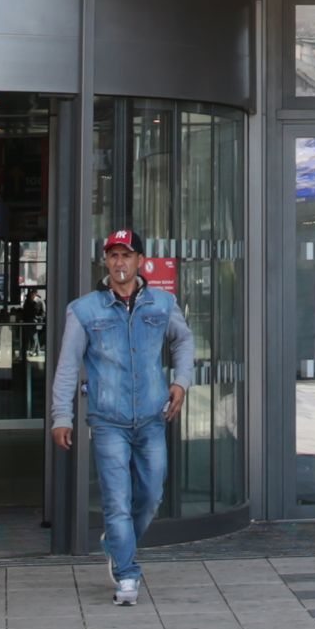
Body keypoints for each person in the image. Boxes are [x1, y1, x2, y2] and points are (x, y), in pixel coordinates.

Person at [51, 228, 194, 607]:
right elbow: (67, 366)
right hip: (108, 420)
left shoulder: (162, 304)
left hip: (151, 417)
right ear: (106, 262)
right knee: (117, 501)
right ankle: (127, 575)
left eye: (126, 255)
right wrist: (61, 415)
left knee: (150, 497)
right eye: (113, 256)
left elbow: (183, 340)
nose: (119, 263)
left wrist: (181, 382)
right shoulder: (84, 310)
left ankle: (116, 543)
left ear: (140, 261)